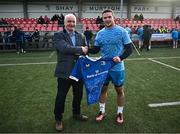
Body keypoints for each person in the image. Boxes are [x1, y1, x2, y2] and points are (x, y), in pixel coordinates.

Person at [88, 9, 132, 125]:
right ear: (103, 19)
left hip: (117, 68)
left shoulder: (122, 31)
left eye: (109, 17)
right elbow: (96, 50)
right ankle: (102, 111)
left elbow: (129, 49)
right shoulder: (100, 33)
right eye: (105, 18)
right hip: (104, 68)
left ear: (114, 17)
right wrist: (85, 50)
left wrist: (120, 58)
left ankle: (120, 112)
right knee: (102, 90)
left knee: (119, 91)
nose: (107, 19)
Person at [53, 13, 88, 132]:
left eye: (73, 21)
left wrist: (87, 50)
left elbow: (85, 51)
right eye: (69, 21)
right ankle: (58, 119)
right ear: (64, 22)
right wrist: (80, 50)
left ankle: (76, 113)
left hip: (78, 72)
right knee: (61, 97)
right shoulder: (58, 35)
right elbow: (64, 48)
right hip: (64, 72)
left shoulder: (81, 36)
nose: (71, 24)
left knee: (78, 95)